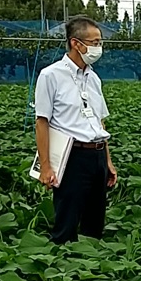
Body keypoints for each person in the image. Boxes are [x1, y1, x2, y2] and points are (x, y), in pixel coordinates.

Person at [34, 15, 117, 244]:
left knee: (94, 222)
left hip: (97, 155)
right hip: (71, 157)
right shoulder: (50, 75)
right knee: (67, 222)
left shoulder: (94, 78)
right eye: (94, 42)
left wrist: (107, 161)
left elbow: (100, 122)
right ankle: (59, 273)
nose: (98, 48)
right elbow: (42, 122)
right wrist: (46, 167)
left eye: (100, 42)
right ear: (75, 43)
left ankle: (90, 271)